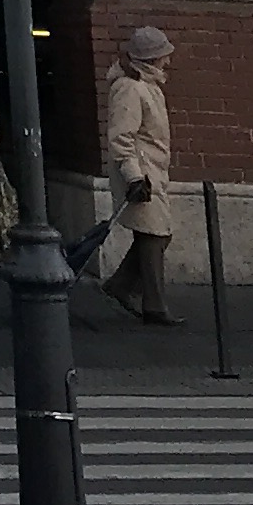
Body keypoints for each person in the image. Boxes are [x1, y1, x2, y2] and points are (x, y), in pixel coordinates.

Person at [98, 23, 179, 325]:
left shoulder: (148, 86)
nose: (167, 61)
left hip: (151, 171)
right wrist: (133, 175)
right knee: (155, 235)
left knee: (157, 234)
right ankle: (154, 304)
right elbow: (122, 137)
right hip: (141, 172)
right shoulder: (130, 88)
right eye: (163, 55)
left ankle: (121, 286)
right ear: (152, 58)